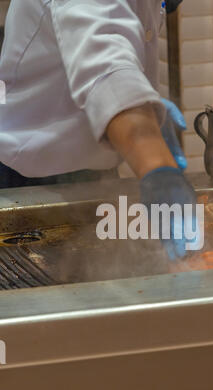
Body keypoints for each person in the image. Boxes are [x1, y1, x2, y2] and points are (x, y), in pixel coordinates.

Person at [0, 0, 198, 260]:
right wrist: (157, 167)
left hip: (95, 173)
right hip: (20, 179)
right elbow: (106, 66)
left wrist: (144, 109)